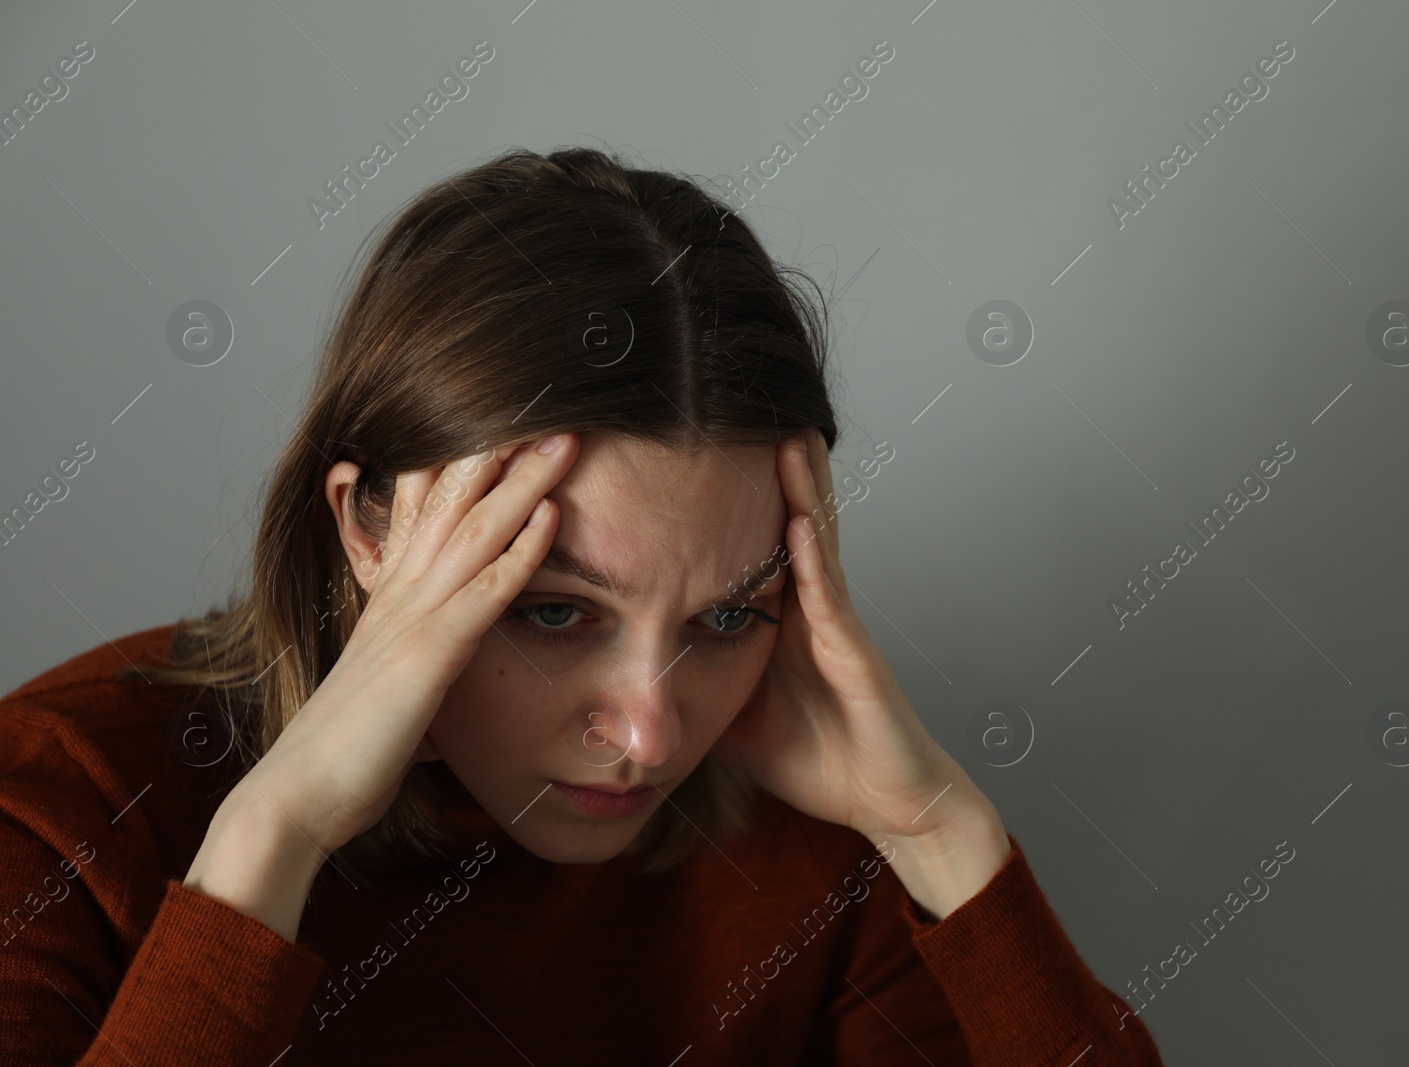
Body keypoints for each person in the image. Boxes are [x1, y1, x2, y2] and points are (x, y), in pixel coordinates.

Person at [0, 146, 1165, 1065]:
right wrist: (272, 843)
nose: (649, 735)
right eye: (554, 612)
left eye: (724, 617)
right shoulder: (63, 799)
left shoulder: (812, 835)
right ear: (367, 526)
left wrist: (939, 835)